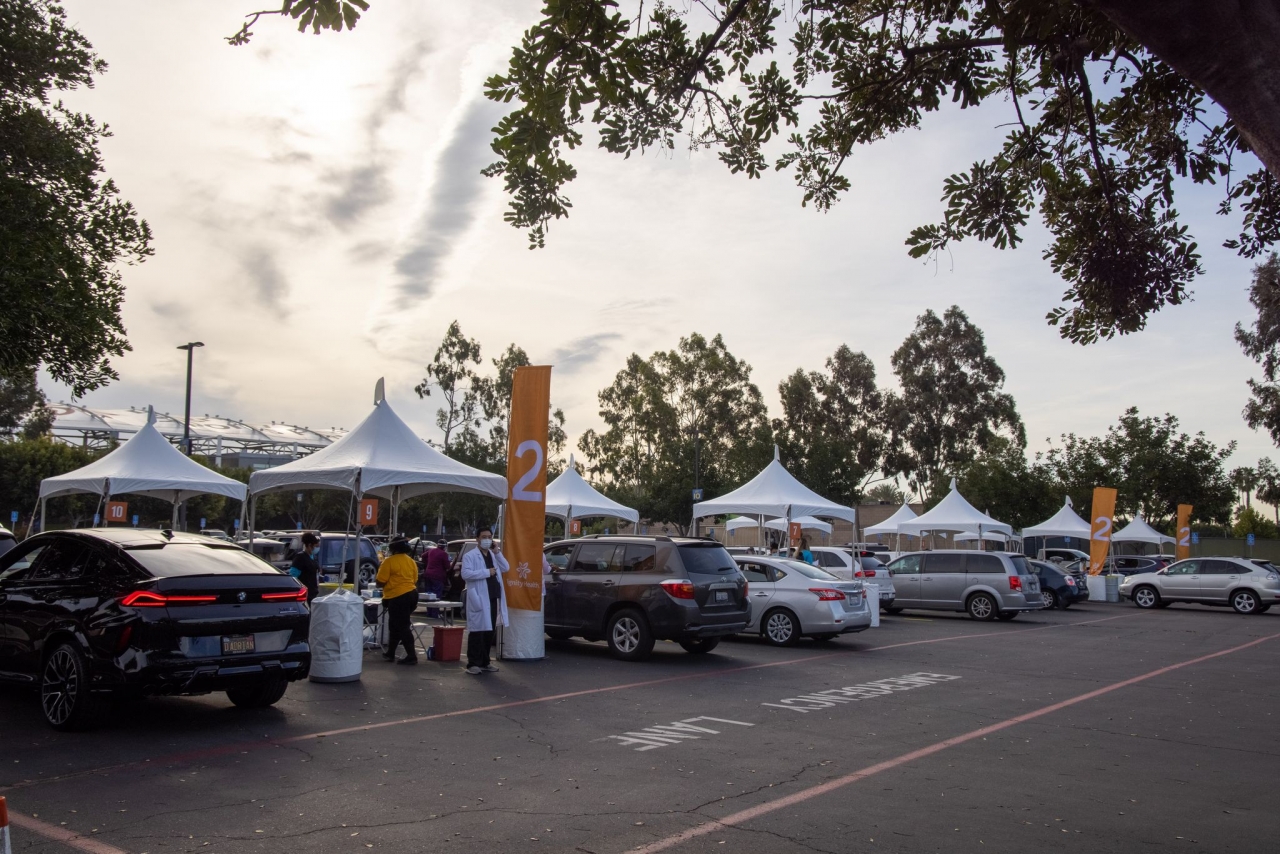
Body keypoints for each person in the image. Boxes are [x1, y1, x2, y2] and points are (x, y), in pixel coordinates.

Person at [460, 525, 508, 675]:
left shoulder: (493, 555)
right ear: (477, 539)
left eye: (489, 537)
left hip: (493, 597)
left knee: (489, 631)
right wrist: (487, 572)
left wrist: (497, 552)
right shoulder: (470, 556)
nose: (487, 540)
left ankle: (485, 662)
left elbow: (506, 567)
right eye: (484, 537)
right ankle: (473, 663)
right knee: (477, 631)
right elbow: (466, 574)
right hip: (479, 598)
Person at [375, 535, 420, 665]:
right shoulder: (411, 561)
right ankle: (391, 653)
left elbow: (380, 582)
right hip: (412, 594)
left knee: (402, 626)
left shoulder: (388, 561)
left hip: (398, 596)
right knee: (394, 625)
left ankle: (411, 656)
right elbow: (415, 579)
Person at [289, 532, 321, 602]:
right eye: (316, 546)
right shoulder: (300, 558)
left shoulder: (312, 557)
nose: (317, 548)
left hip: (313, 593)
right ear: (310, 545)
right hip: (306, 595)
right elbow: (293, 576)